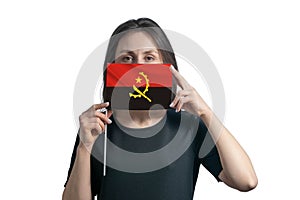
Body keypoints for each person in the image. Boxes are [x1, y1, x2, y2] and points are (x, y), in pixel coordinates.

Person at [62, 18, 258, 200]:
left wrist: (205, 112)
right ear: (111, 67)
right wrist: (84, 147)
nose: (138, 66)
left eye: (149, 57)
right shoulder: (97, 126)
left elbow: (246, 181)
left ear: (167, 65)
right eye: (127, 58)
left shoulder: (189, 124)